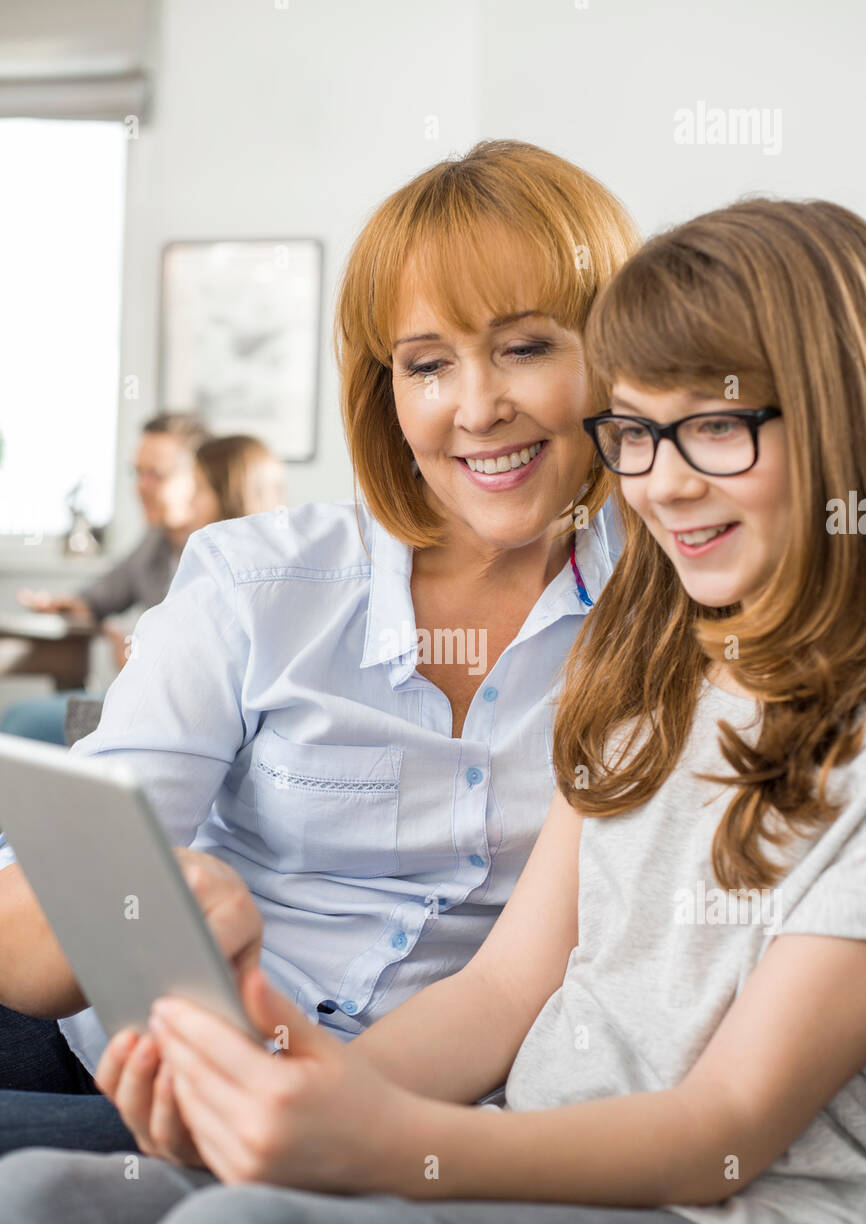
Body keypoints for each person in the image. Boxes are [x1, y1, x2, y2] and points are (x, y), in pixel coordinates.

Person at [0, 195, 863, 1224]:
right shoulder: (649, 675)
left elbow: (722, 1130)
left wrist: (382, 1140)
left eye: (716, 426)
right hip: (516, 1149)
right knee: (39, 1210)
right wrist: (315, 1098)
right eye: (638, 434)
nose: (664, 482)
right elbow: (506, 988)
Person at [0, 139, 638, 1155]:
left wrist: (298, 1105)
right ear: (385, 388)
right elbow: (45, 923)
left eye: (524, 347)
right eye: (427, 364)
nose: (476, 408)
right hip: (128, 1040)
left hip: (385, 1091)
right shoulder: (256, 582)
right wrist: (135, 907)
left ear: (614, 356)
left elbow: (509, 987)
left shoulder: (659, 617)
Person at [0, 413, 211, 744]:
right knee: (18, 719)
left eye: (156, 475)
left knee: (20, 724)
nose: (141, 487)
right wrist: (70, 606)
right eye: (137, 473)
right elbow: (101, 597)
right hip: (144, 701)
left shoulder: (222, 556)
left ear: (200, 478)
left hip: (175, 717)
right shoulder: (156, 542)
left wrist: (144, 666)